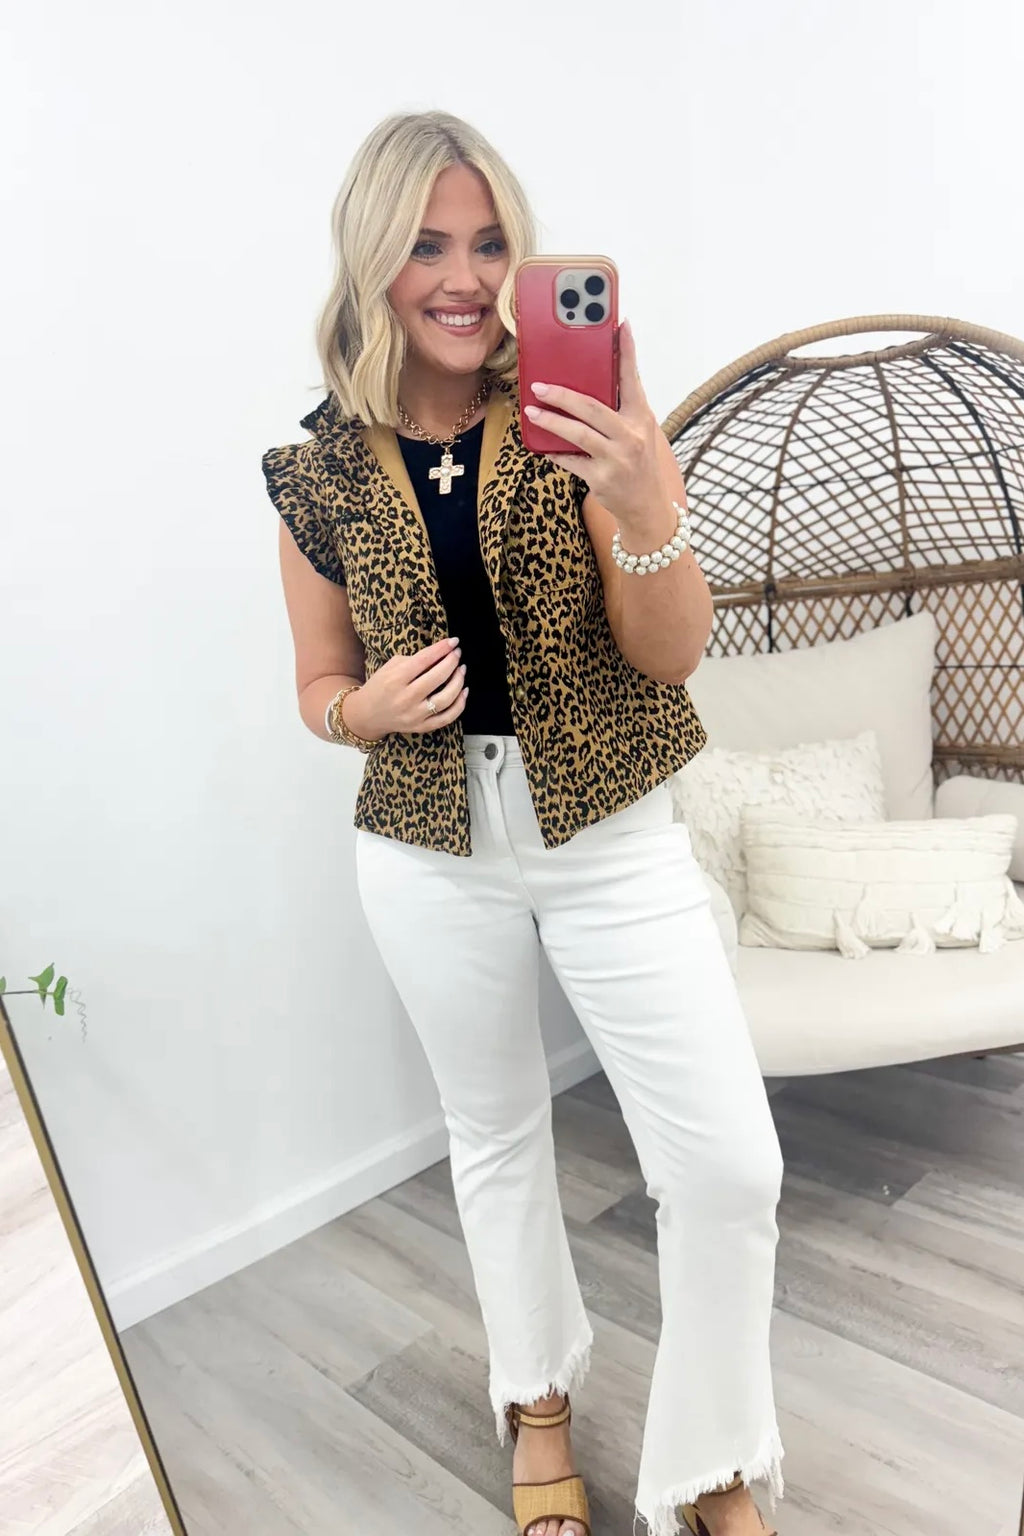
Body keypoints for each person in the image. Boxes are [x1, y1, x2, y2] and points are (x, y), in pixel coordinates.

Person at [263, 109, 786, 1536]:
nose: (464, 276)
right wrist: (359, 713)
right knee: (494, 1133)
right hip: (425, 847)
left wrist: (647, 496)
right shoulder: (313, 469)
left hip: (611, 830)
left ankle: (710, 1461)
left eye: (491, 242)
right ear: (371, 259)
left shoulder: (577, 415)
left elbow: (672, 653)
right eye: (427, 244)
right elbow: (314, 684)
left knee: (730, 1169)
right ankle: (536, 1399)